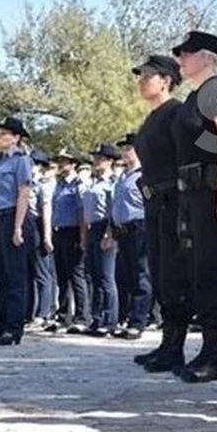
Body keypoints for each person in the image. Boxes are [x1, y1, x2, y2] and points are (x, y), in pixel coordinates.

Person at [163, 39, 217, 381]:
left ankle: (215, 355)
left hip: (210, 191)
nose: (180, 59)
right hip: (190, 195)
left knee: (211, 271)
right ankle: (205, 348)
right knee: (196, 271)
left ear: (208, 58)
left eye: (186, 54)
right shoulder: (195, 95)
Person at [0, 116, 35, 346]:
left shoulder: (20, 161)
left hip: (13, 216)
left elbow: (23, 193)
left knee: (15, 276)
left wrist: (17, 227)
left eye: (5, 134)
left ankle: (14, 328)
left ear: (16, 138)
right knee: (2, 276)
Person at [112, 134, 150, 339]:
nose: (125, 152)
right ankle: (125, 318)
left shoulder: (143, 174)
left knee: (141, 275)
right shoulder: (123, 176)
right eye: (124, 148)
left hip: (139, 227)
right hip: (122, 230)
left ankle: (138, 321)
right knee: (123, 276)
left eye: (130, 148)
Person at [82, 144, 121, 340]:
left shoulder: (112, 182)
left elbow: (113, 209)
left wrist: (109, 233)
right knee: (95, 276)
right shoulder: (93, 181)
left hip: (105, 227)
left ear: (110, 161)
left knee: (107, 278)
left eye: (100, 158)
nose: (96, 161)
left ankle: (110, 320)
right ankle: (96, 318)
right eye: (96, 158)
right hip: (92, 228)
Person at [50, 151, 90, 334]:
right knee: (62, 276)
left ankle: (82, 316)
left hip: (73, 231)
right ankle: (63, 314)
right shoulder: (59, 184)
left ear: (73, 164)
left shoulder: (77, 185)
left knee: (76, 275)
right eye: (60, 161)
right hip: (59, 231)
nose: (61, 164)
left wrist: (83, 237)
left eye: (65, 161)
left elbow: (82, 212)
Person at [28, 150, 59, 330]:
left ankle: (44, 313)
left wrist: (47, 237)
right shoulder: (30, 184)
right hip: (29, 225)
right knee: (33, 272)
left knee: (43, 273)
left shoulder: (43, 185)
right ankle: (33, 311)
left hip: (40, 225)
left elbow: (46, 211)